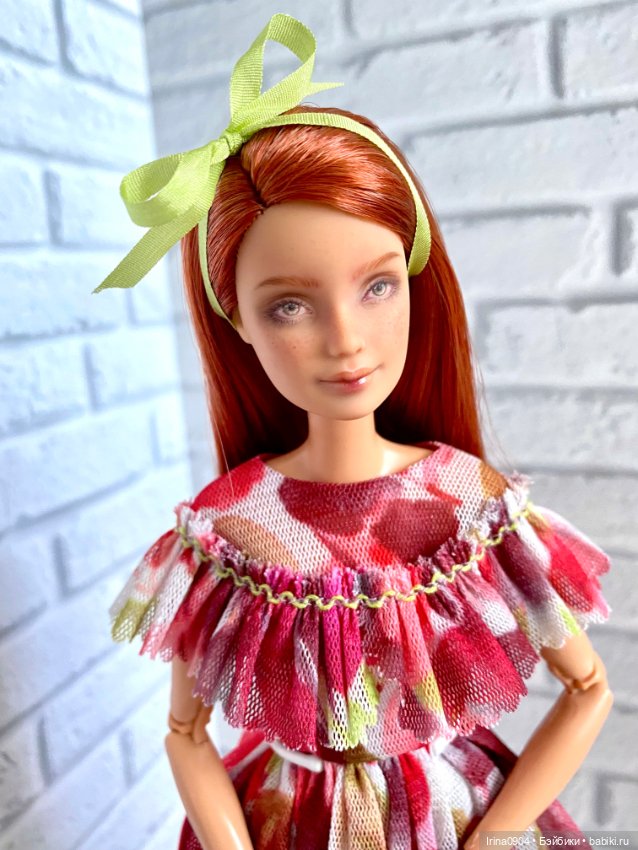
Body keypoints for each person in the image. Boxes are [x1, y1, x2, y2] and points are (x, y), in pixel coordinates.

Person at [97, 14, 614, 850]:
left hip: (446, 816)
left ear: (414, 282)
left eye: (377, 286)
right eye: (288, 306)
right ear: (238, 324)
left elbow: (589, 690)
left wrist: (494, 836)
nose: (345, 340)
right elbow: (186, 733)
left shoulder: (469, 506)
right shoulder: (226, 529)